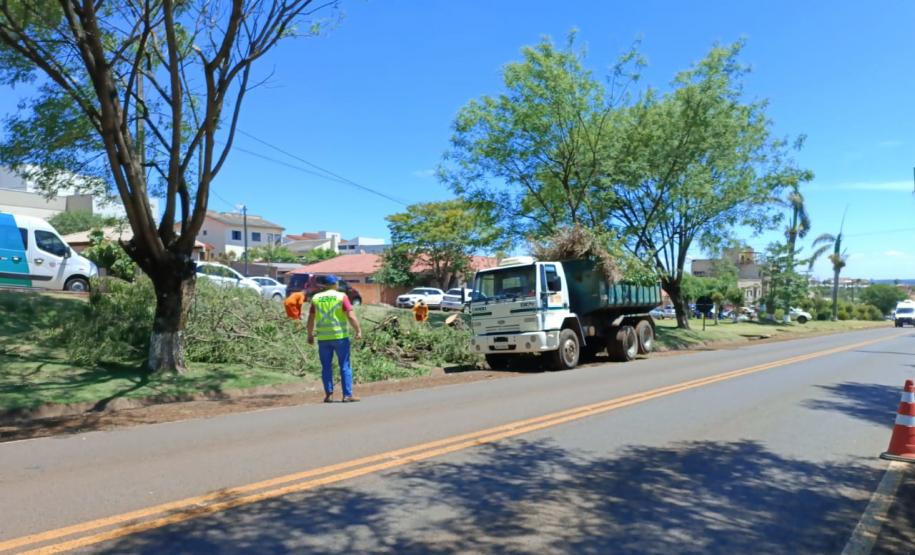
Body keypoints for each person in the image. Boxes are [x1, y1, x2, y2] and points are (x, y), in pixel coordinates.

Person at [306, 275, 363, 403]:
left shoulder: (316, 298)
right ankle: (347, 395)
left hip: (323, 338)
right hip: (340, 337)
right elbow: (351, 316)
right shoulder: (342, 297)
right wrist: (358, 330)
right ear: (334, 284)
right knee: (345, 365)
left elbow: (310, 319)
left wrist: (309, 335)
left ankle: (329, 395)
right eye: (337, 282)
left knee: (326, 366)